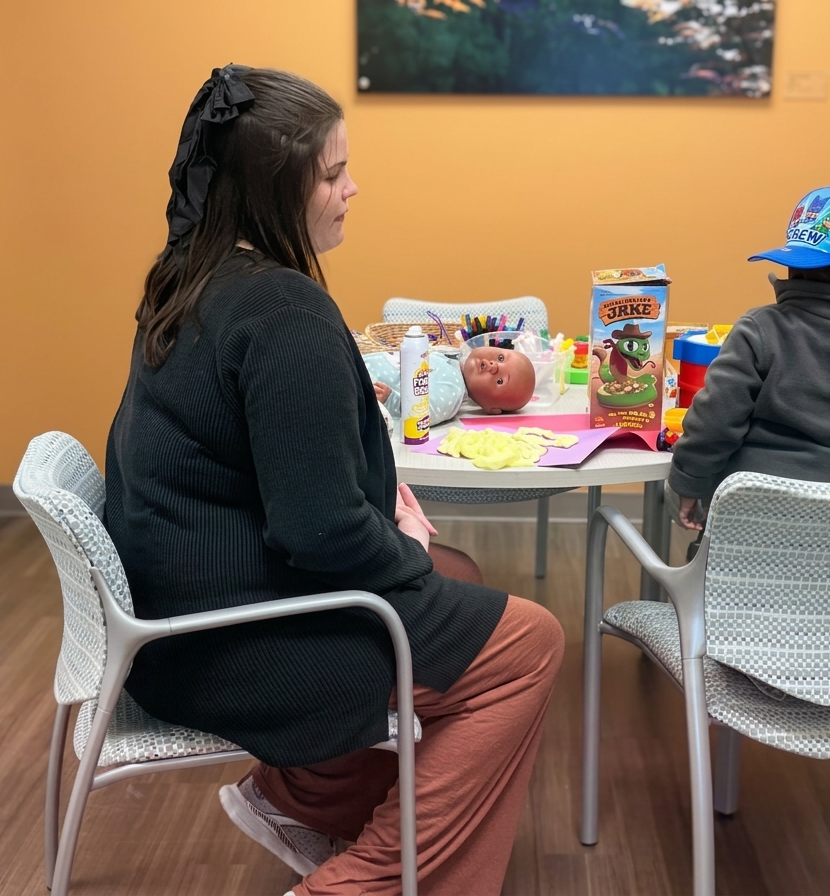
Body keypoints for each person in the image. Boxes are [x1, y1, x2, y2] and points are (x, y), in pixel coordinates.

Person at [103, 65, 563, 896]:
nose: (353, 188)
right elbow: (317, 530)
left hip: (173, 625)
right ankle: (366, 883)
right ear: (271, 190)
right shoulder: (283, 313)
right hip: (235, 643)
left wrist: (413, 560)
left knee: (458, 579)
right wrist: (405, 558)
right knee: (528, 641)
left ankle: (302, 798)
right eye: (330, 173)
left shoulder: (191, 278)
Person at [669, 184, 830, 539]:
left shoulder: (760, 329)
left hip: (745, 529)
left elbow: (715, 421)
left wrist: (689, 481)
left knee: (680, 491)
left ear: (792, 265)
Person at [366, 345, 537, 425]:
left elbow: (424, 413)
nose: (494, 366)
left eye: (500, 381)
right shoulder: (454, 363)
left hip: (365, 382)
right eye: (501, 358)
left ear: (491, 408)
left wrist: (391, 400)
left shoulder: (454, 388)